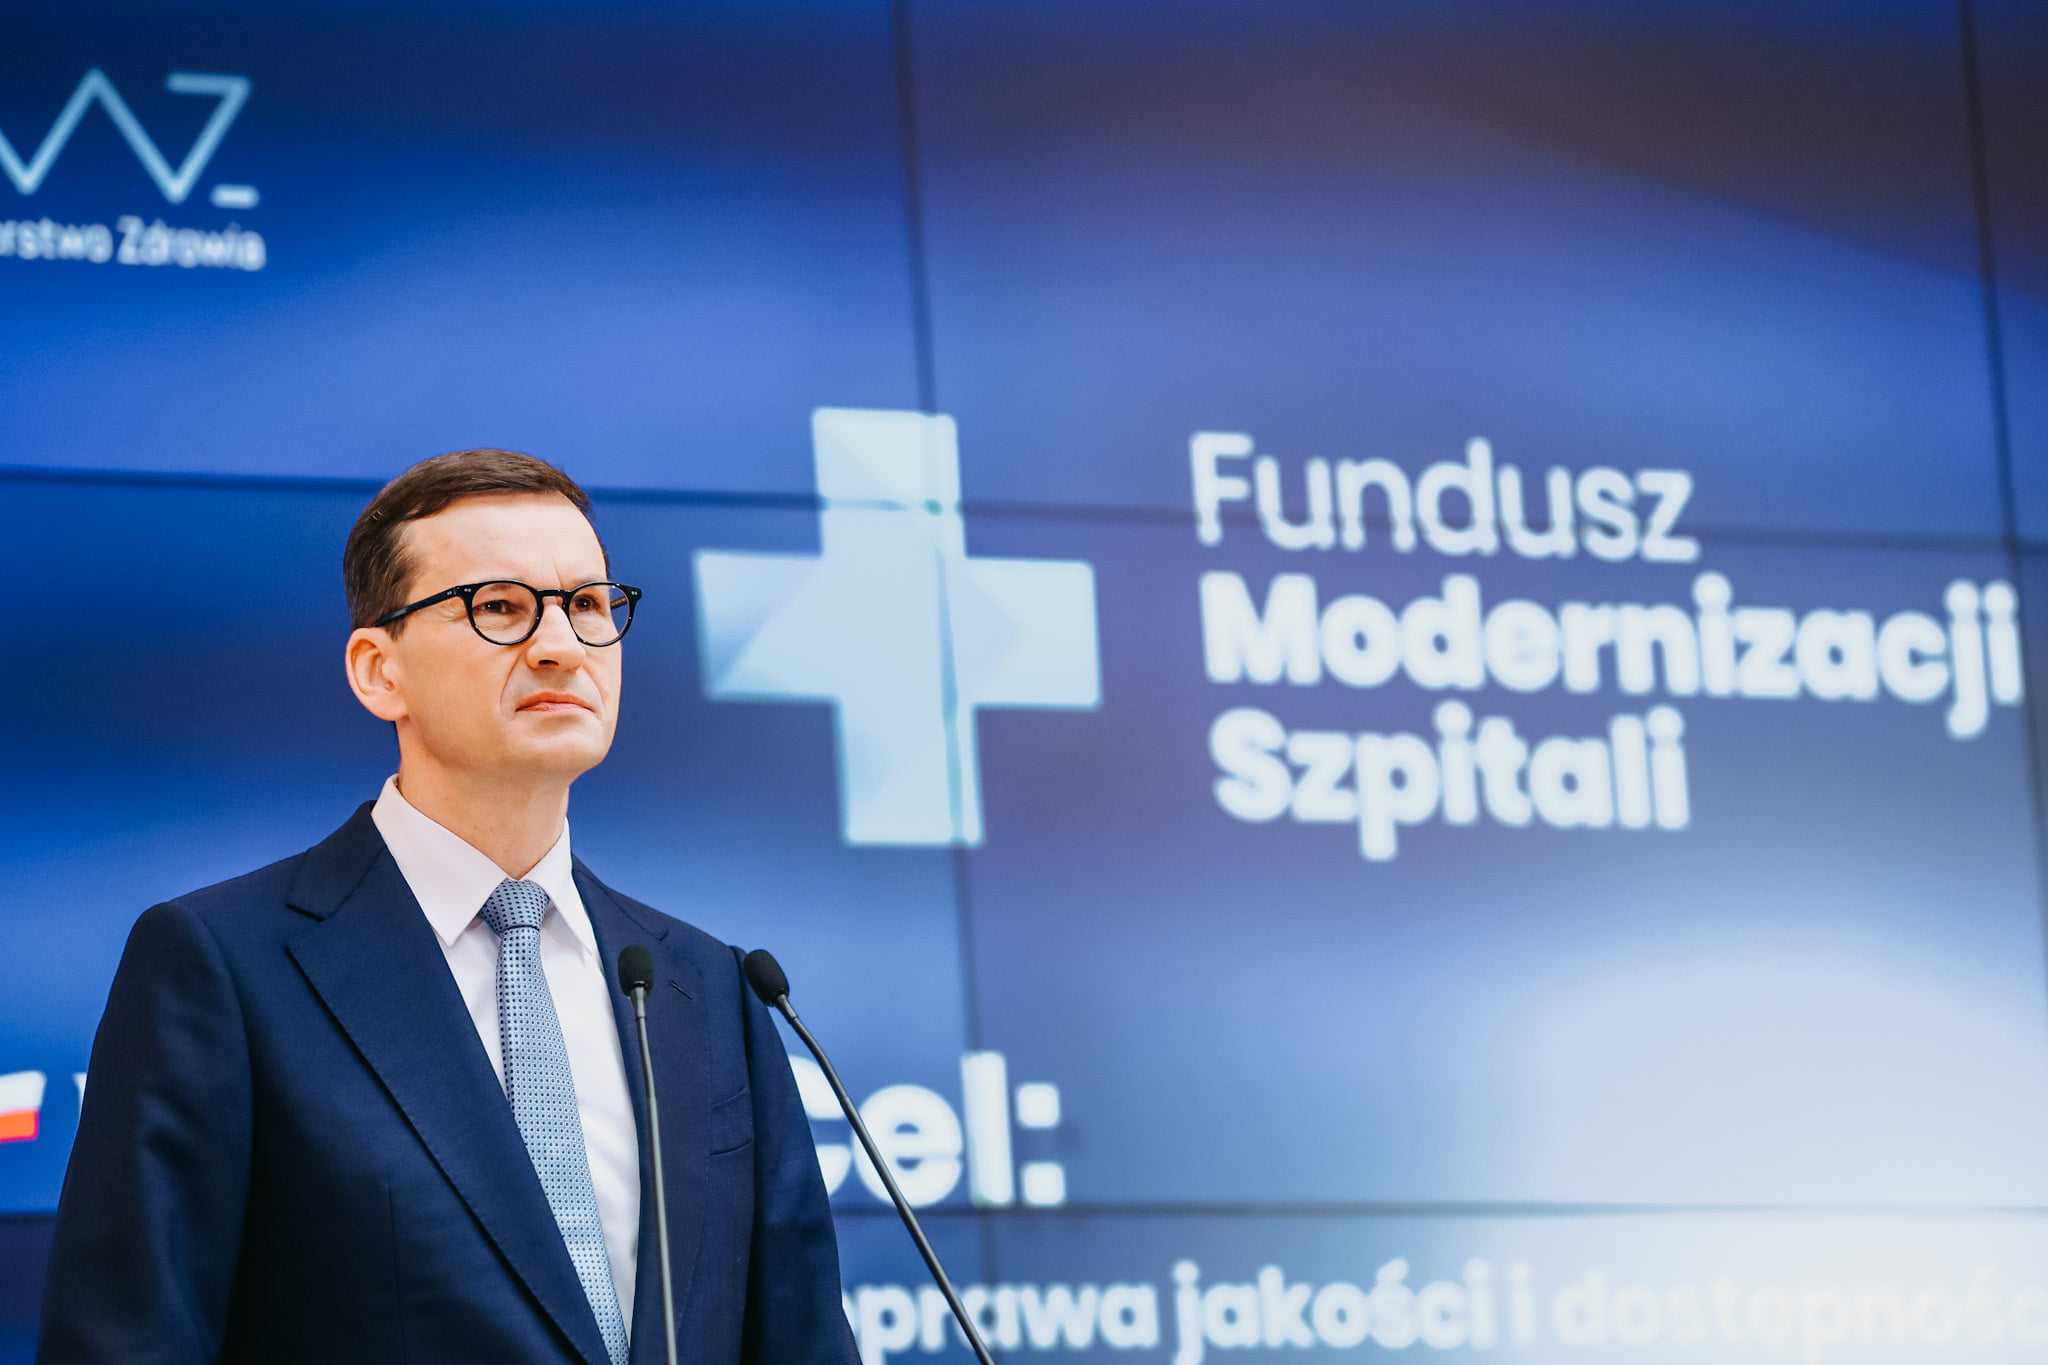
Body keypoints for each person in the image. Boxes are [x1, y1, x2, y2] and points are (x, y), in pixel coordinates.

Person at [38, 450, 859, 1365]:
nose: (561, 645)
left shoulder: (709, 986)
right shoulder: (223, 967)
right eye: (499, 606)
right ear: (377, 670)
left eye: (589, 604)